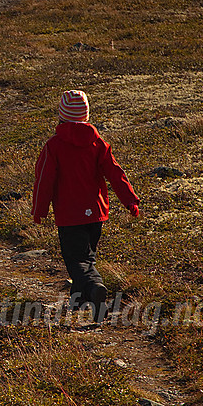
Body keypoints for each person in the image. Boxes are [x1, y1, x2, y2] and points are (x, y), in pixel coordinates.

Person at [32, 90, 140, 322]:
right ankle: (80, 298)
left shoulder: (54, 145)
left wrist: (40, 210)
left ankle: (94, 288)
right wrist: (130, 199)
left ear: (61, 115)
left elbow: (44, 180)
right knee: (86, 257)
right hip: (96, 215)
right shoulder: (98, 143)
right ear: (86, 115)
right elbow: (115, 173)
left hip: (70, 216)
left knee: (77, 261)